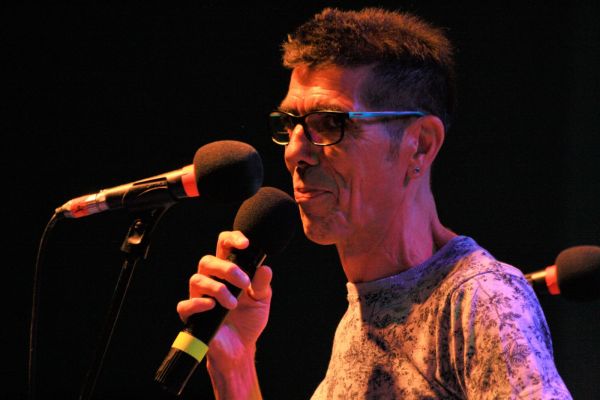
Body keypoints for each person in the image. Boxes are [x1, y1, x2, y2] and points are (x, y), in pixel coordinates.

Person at [176, 7, 572, 399]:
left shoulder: (480, 299)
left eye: (330, 123)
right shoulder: (362, 316)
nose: (295, 152)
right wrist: (235, 363)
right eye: (290, 124)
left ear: (420, 146)